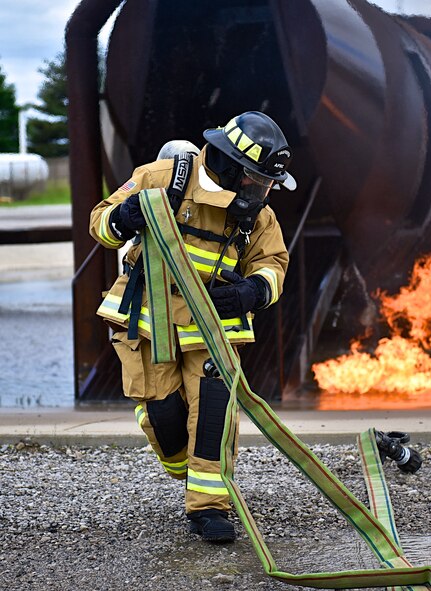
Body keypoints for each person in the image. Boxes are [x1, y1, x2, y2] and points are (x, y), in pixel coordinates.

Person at [89, 111, 295, 542]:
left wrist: (252, 292)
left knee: (214, 414)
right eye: (257, 180)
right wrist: (124, 216)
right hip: (150, 324)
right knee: (164, 417)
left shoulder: (258, 216)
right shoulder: (160, 178)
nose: (263, 191)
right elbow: (100, 224)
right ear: (229, 164)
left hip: (212, 329)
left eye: (268, 183)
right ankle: (185, 468)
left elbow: (273, 264)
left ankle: (209, 508)